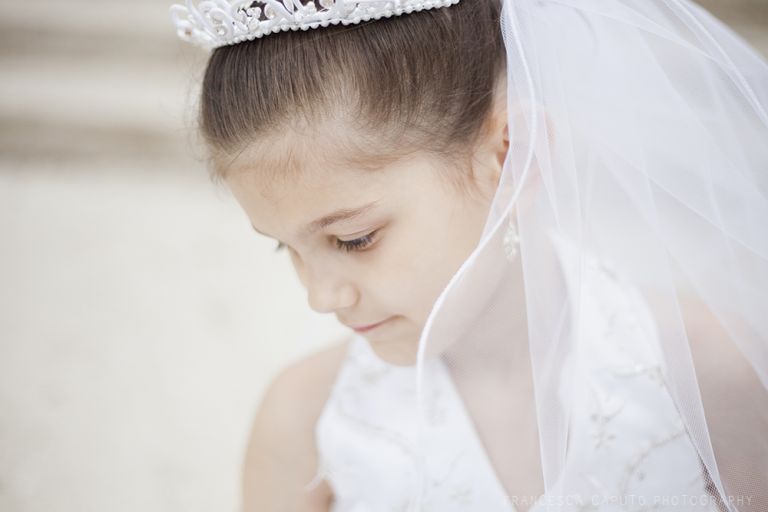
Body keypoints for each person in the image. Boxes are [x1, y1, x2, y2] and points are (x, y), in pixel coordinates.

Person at [170, 1, 768, 511]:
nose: (321, 296)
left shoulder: (714, 370)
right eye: (286, 247)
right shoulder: (302, 422)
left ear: (512, 160)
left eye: (354, 239)